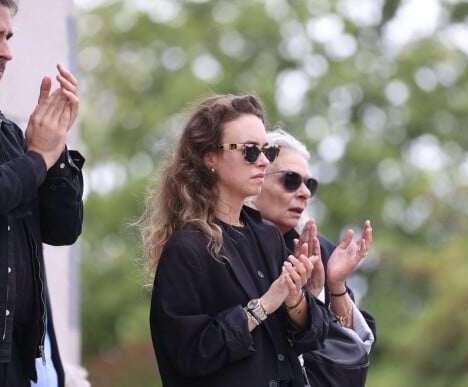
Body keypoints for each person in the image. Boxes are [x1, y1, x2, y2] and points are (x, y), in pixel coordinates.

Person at [139, 94, 331, 387]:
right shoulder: (186, 249)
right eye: (250, 151)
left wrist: (296, 300)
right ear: (209, 157)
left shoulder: (268, 237)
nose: (264, 161)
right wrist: (264, 305)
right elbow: (189, 354)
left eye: (266, 150)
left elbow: (312, 338)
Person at [0, 1, 84, 386]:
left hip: (14, 358)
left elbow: (62, 229)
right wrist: (36, 161)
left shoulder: (5, 129)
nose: (7, 52)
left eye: (8, 37)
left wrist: (56, 149)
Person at [252, 129, 376, 384]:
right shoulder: (226, 245)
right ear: (255, 179)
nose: (305, 193)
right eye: (291, 180)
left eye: (309, 184)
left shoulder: (321, 250)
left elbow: (352, 356)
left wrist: (336, 286)